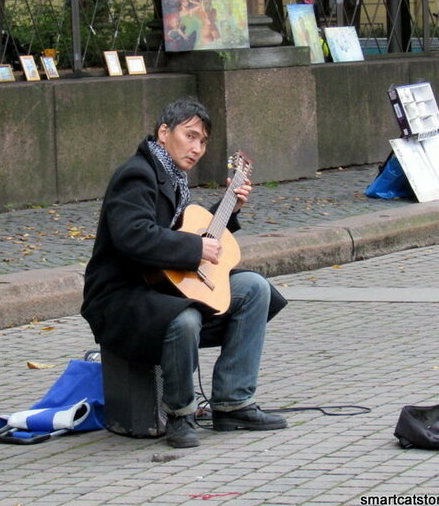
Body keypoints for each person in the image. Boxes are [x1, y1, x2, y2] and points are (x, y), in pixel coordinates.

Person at [81, 97, 288, 449]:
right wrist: (195, 250)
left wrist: (228, 209)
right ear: (164, 132)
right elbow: (134, 236)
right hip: (123, 295)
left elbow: (182, 230)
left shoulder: (173, 176)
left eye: (203, 142)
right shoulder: (137, 174)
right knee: (184, 319)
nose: (196, 148)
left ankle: (233, 402)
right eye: (189, 136)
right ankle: (180, 413)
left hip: (163, 286)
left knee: (253, 287)